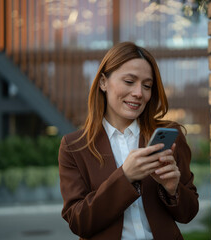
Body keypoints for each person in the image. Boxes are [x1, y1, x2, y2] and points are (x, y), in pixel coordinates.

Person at [58, 42, 199, 240]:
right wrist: (125, 177)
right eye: (129, 81)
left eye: (147, 85)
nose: (139, 93)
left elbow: (189, 213)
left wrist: (172, 189)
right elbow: (78, 221)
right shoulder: (74, 147)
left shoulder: (169, 135)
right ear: (103, 82)